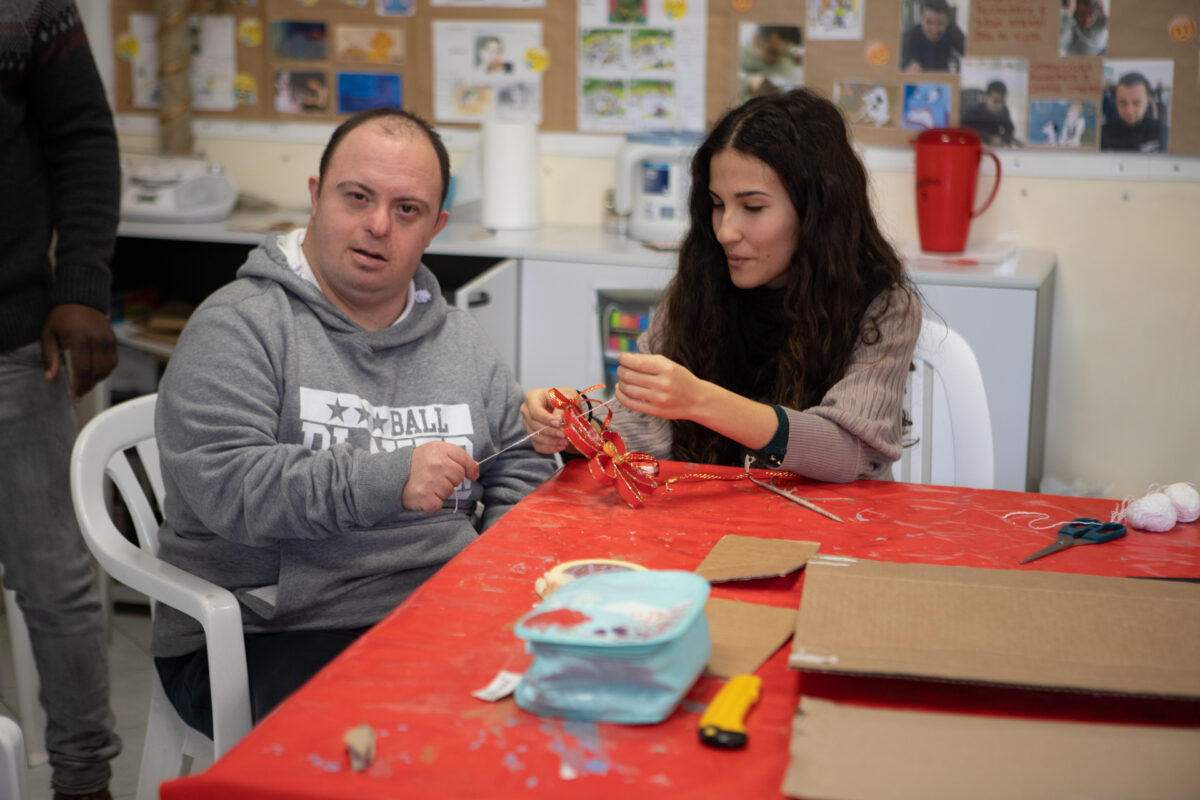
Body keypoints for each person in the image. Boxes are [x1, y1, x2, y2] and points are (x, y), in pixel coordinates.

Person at [151, 108, 555, 736]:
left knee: (575, 709)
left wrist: (493, 567)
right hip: (268, 629)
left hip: (440, 610)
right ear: (316, 196)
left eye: (406, 209)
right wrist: (389, 479)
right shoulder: (238, 325)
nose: (377, 225)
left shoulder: (460, 338)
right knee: (413, 744)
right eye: (357, 197)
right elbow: (232, 487)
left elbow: (520, 458)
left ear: (435, 227)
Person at [521, 89, 921, 483]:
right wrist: (577, 425)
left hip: (837, 520)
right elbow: (648, 429)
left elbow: (849, 451)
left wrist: (700, 400)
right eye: (717, 204)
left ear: (816, 211)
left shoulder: (885, 305)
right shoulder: (699, 288)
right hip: (720, 517)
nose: (725, 231)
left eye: (752, 207)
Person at [0, 1, 122, 797]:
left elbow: (81, 135)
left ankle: (84, 782)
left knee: (56, 586)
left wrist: (81, 285)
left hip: (12, 340)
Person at [1100, 72, 1167, 152]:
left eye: (1136, 103)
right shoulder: (1102, 135)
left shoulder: (1162, 132)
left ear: (1148, 100)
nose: (1129, 111)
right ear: (1115, 100)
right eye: (1122, 103)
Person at [739, 25, 803, 100]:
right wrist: (748, 82)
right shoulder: (741, 53)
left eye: (783, 53)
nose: (778, 59)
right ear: (756, 40)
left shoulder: (786, 57)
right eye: (773, 52)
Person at [901, 0, 966, 73]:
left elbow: (971, 52)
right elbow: (899, 69)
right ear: (921, 19)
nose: (934, 30)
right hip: (917, 79)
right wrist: (907, 70)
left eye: (940, 23)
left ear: (947, 21)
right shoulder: (910, 36)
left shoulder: (951, 31)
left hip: (943, 78)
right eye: (929, 22)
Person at [961, 80, 1018, 146]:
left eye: (1002, 102)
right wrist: (989, 138)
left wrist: (1002, 139)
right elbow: (966, 130)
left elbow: (1010, 130)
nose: (999, 106)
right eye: (995, 101)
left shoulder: (1004, 110)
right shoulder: (973, 112)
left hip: (995, 147)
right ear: (986, 97)